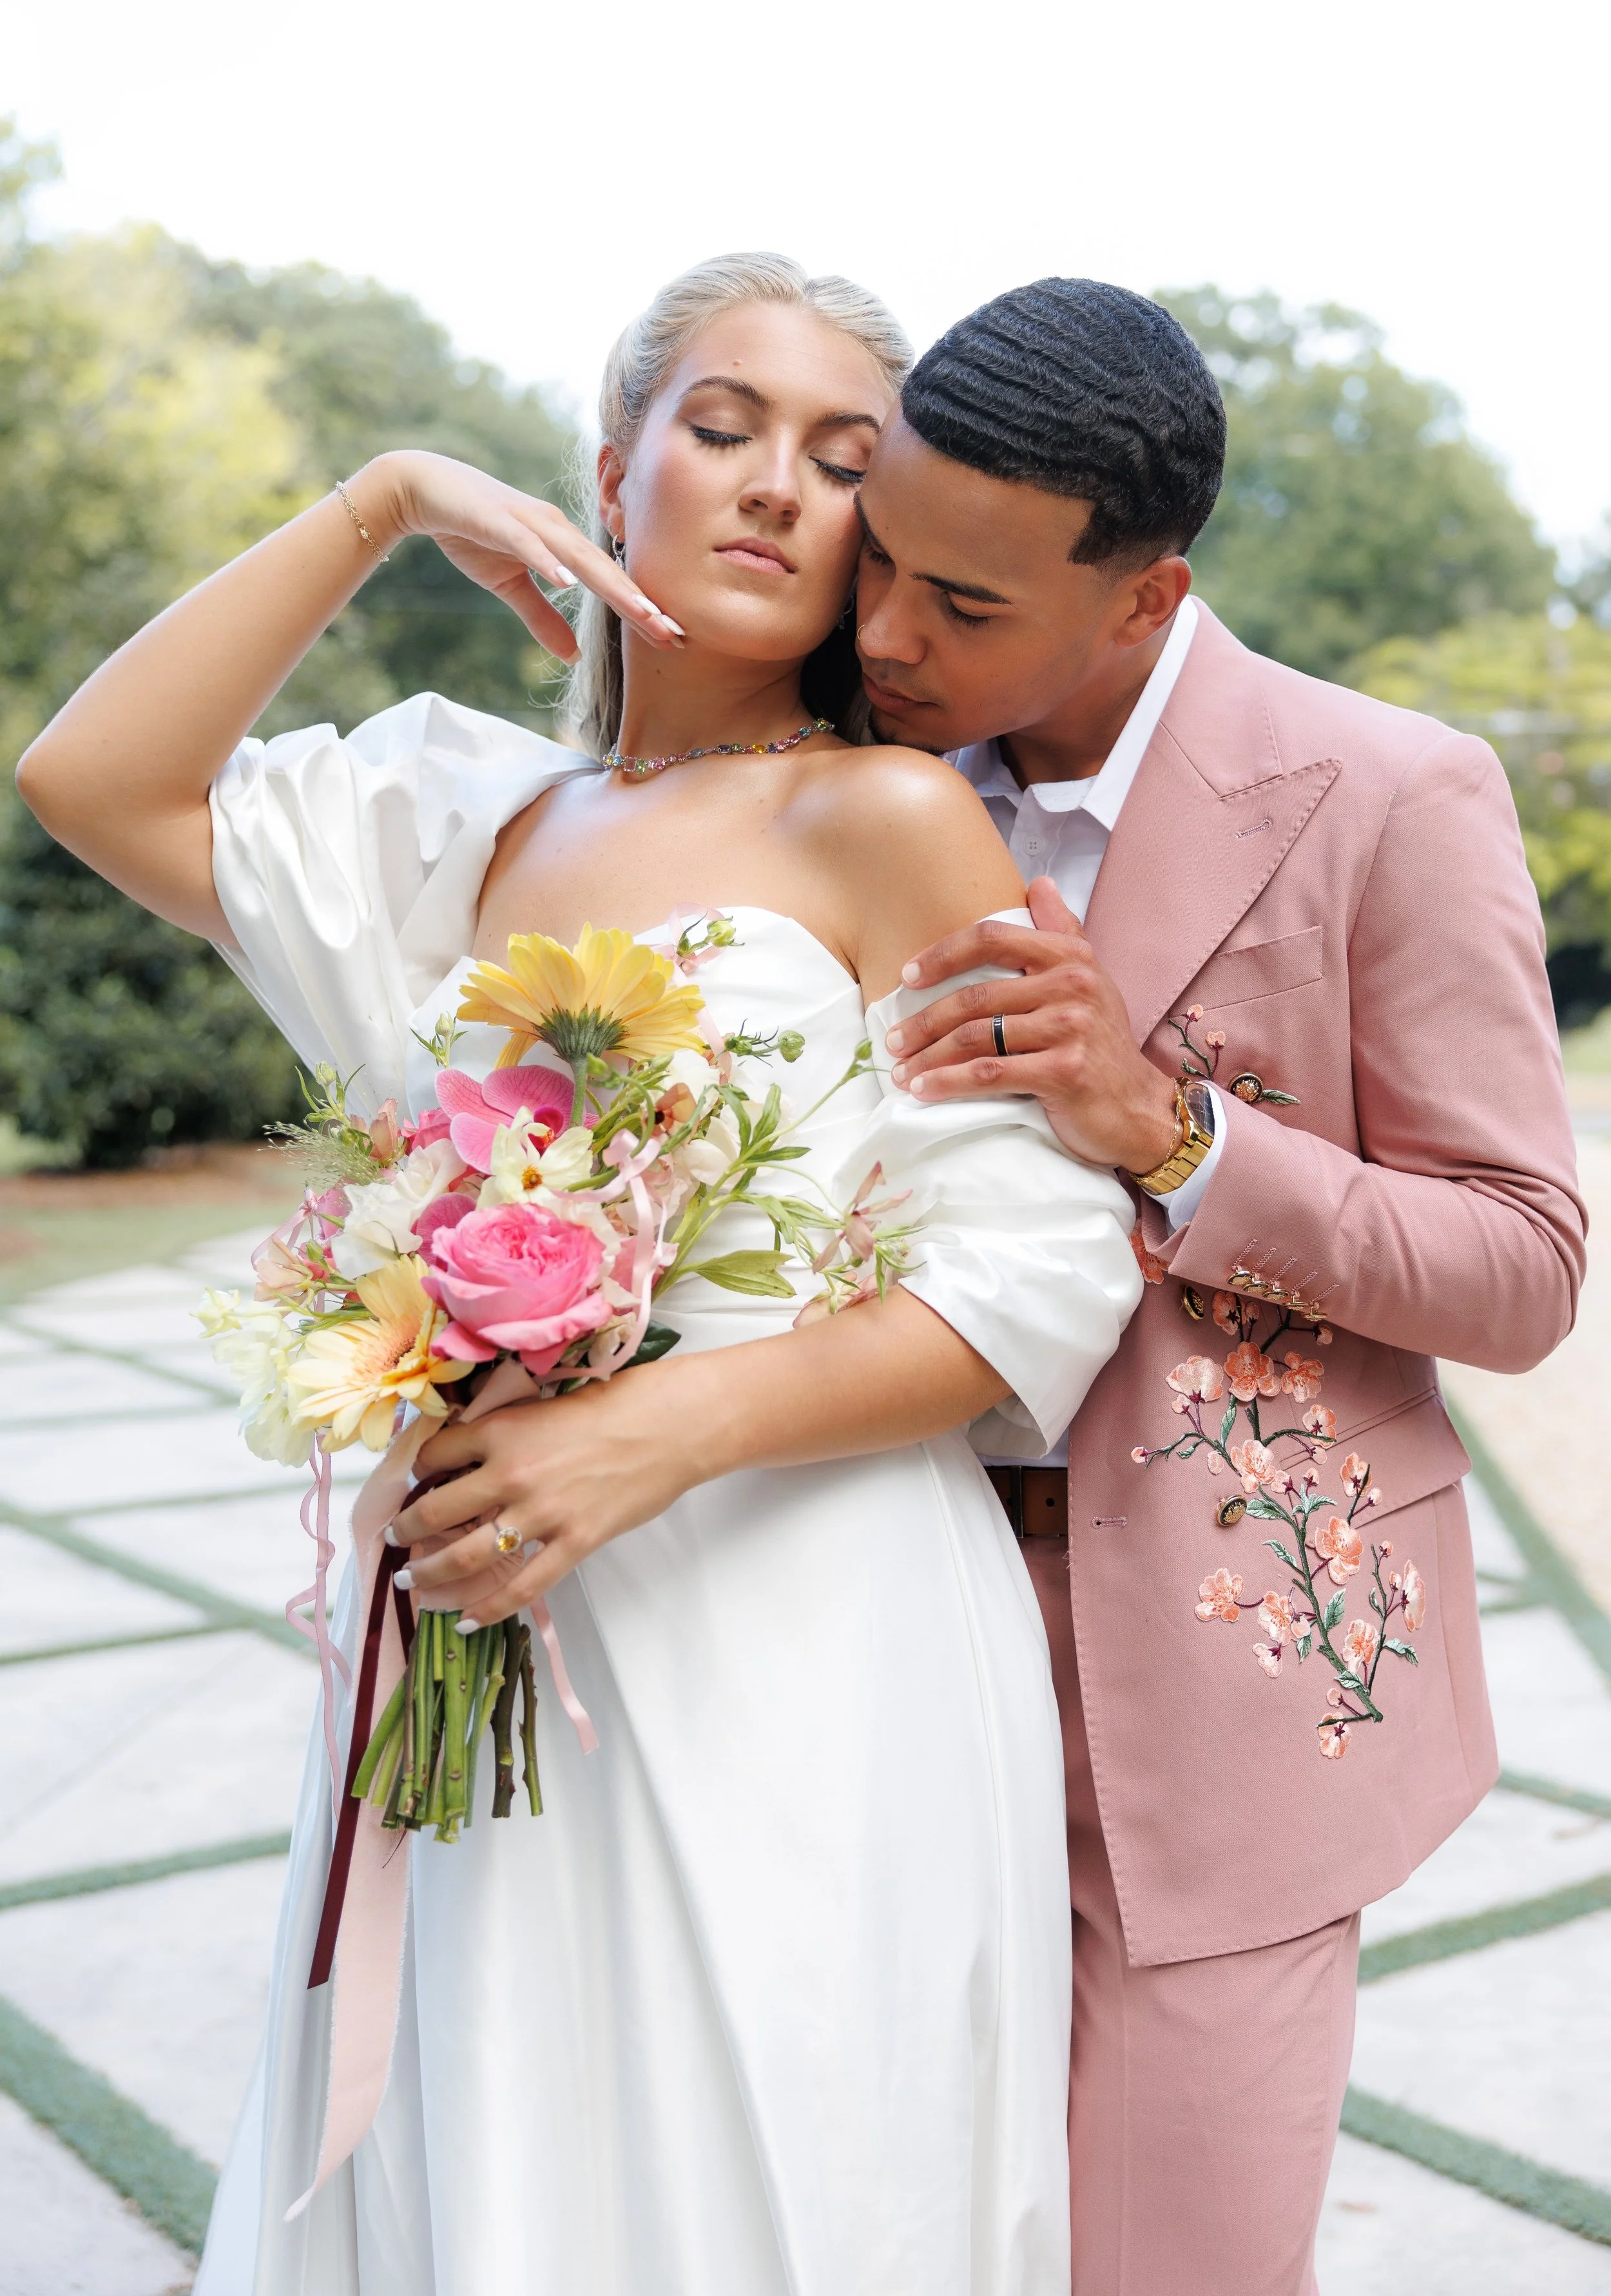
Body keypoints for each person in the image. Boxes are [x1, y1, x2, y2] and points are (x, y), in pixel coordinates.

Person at [16, 254, 1144, 2295]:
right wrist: (383, 499)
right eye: (719, 427)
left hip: (809, 1629)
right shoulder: (457, 818)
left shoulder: (884, 821)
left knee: (782, 2167)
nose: (774, 486)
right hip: (487, 1629)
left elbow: (1035, 1279)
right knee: (490, 2159)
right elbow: (93, 782)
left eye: (839, 463)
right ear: (610, 467)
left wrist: (647, 1432)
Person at [848, 278, 1588, 2295]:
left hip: (1231, 1689)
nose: (892, 638)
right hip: (867, 1646)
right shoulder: (826, 770)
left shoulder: (1391, 793)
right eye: (878, 564)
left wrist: (1171, 1129)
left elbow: (1524, 1266)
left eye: (967, 606)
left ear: (1145, 599)